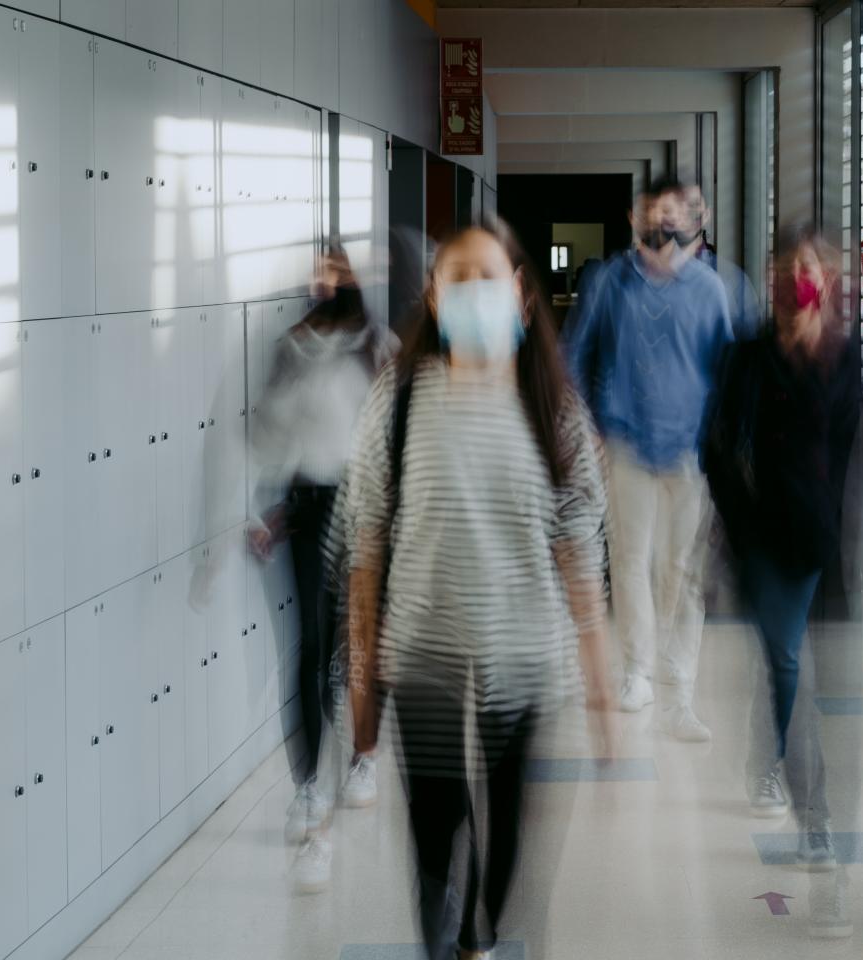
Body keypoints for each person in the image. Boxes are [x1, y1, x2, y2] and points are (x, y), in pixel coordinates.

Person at [331, 222, 616, 953]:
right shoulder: (395, 401)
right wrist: (362, 685)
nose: (474, 293)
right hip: (422, 649)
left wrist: (601, 688)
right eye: (458, 278)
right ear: (432, 295)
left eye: (489, 277)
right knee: (433, 830)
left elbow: (581, 557)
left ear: (522, 296)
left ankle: (478, 935)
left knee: (508, 825)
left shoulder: (553, 410)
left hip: (521, 653)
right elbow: (366, 546)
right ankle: (450, 939)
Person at [704, 224, 861, 938]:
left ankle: (776, 768)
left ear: (830, 278)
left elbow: (858, 461)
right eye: (789, 267)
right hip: (766, 548)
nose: (802, 277)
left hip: (829, 554)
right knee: (791, 677)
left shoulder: (849, 364)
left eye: (813, 266)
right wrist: (740, 533)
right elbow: (717, 448)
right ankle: (822, 836)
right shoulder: (747, 360)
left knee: (818, 692)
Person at [566, 177, 736, 741]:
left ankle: (678, 683)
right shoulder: (609, 282)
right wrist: (587, 425)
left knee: (683, 572)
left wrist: (725, 444)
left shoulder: (710, 290)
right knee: (631, 559)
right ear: (636, 218)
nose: (662, 222)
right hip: (627, 443)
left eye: (672, 212)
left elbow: (729, 371)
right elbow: (576, 354)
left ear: (693, 219)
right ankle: (636, 671)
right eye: (652, 212)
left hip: (691, 451)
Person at [245, 244, 398, 848]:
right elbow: (268, 433)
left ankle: (363, 756)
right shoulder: (291, 348)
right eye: (315, 273)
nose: (320, 282)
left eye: (331, 272)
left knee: (356, 641)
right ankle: (308, 784)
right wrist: (260, 509)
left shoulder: (375, 346)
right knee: (309, 645)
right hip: (306, 505)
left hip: (361, 508)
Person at [680, 186, 765, 337]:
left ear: (706, 214)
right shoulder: (648, 278)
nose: (686, 213)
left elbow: (749, 343)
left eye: (694, 205)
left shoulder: (732, 280)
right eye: (679, 205)